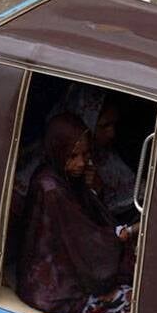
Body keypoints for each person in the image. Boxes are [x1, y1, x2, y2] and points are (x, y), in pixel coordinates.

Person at [15, 113, 137, 313]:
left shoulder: (67, 181)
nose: (82, 162)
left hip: (67, 274)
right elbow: (86, 243)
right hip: (53, 285)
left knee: (135, 297)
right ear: (58, 152)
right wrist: (125, 235)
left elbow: (90, 228)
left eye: (85, 155)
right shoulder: (52, 188)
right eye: (74, 156)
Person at [57, 84, 138, 223]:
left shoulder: (107, 158)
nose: (112, 134)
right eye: (104, 126)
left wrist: (97, 190)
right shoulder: (52, 163)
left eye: (113, 125)